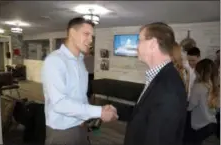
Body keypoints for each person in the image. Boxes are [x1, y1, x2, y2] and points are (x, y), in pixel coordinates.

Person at [41, 17, 118, 145]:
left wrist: (96, 112)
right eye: (86, 34)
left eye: (92, 36)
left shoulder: (80, 60)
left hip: (81, 127)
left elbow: (80, 98)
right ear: (72, 33)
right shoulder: (54, 61)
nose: (91, 40)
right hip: (62, 132)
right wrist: (99, 111)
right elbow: (60, 104)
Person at [124, 22, 187, 145]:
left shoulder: (169, 88)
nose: (136, 46)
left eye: (139, 40)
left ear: (152, 44)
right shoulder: (160, 76)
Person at [187, 59, 219, 145]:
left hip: (201, 128)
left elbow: (190, 107)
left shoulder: (198, 87)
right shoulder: (216, 87)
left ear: (200, 72)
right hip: (212, 125)